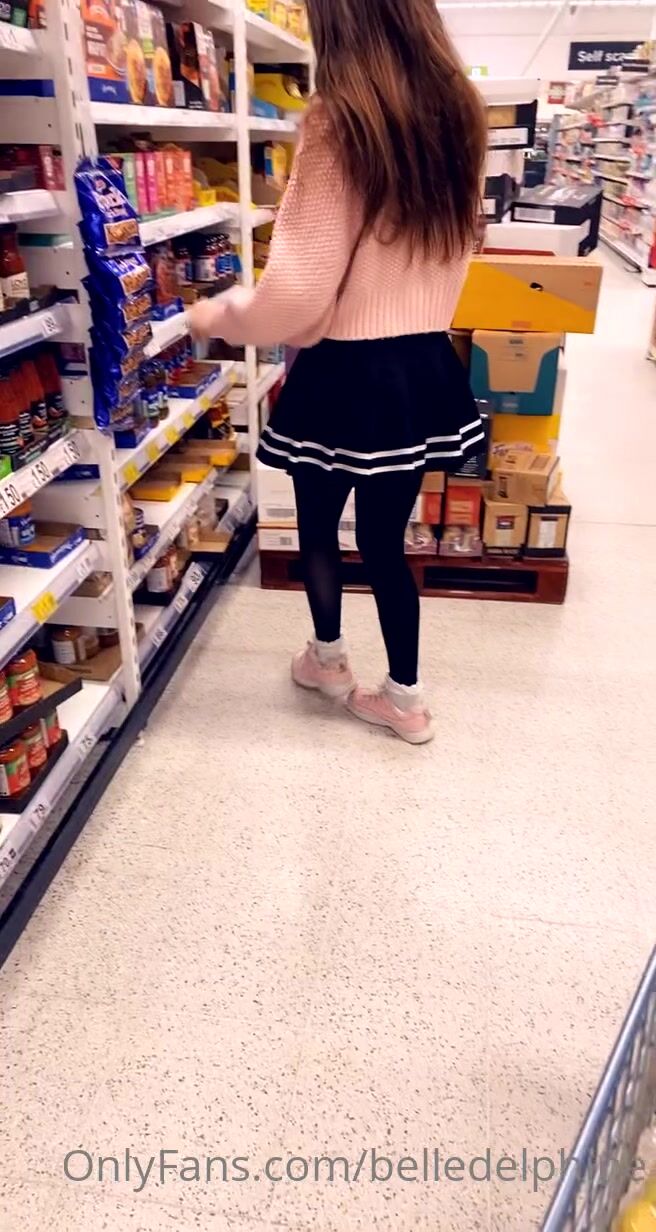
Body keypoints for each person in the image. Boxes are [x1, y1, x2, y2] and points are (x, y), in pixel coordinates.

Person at [189, 0, 487, 746]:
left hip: (345, 369)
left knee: (319, 525)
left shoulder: (339, 120)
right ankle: (406, 700)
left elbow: (298, 291)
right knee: (386, 541)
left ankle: (327, 661)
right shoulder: (460, 111)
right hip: (421, 360)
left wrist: (221, 315)